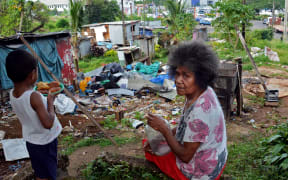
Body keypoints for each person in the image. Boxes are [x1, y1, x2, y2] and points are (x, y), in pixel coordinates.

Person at [145, 41, 227, 180]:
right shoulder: (202, 92)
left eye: (186, 76)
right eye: (177, 74)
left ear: (201, 77)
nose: (178, 80)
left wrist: (164, 130)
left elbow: (185, 157)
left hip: (201, 173)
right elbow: (186, 124)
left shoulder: (201, 111)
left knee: (149, 151)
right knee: (155, 143)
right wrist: (163, 136)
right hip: (216, 158)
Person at [6, 49, 62, 180]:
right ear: (32, 74)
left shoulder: (12, 94)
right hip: (46, 143)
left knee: (40, 173)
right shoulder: (34, 96)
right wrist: (50, 101)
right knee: (50, 173)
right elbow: (48, 123)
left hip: (31, 142)